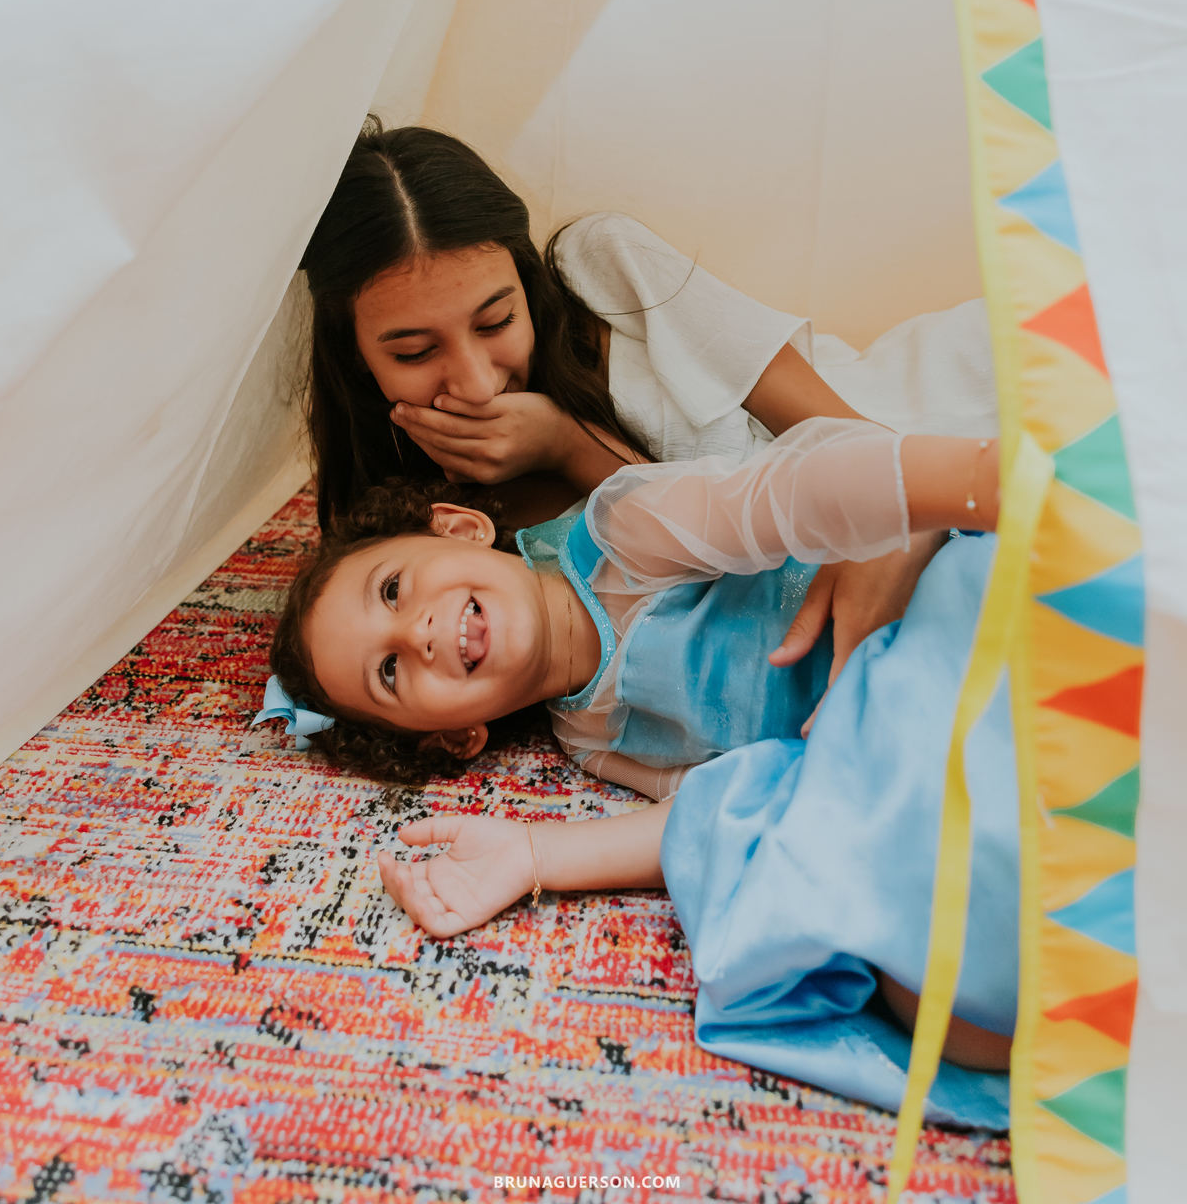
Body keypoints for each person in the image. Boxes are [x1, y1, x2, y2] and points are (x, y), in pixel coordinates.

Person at [261, 419, 1014, 1127]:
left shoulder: (622, 536)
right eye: (389, 671)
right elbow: (719, 803)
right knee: (931, 997)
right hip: (874, 753)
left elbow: (798, 491)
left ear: (459, 528)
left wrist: (969, 484)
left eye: (393, 589)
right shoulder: (586, 736)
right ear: (455, 735)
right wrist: (533, 853)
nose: (417, 631)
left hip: (930, 615)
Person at [300, 119, 998, 704]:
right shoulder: (413, 537)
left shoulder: (607, 273)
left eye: (496, 320)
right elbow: (668, 611)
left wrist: (567, 444)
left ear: (523, 276)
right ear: (355, 353)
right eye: (416, 352)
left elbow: (851, 438)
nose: (479, 384)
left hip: (914, 436)